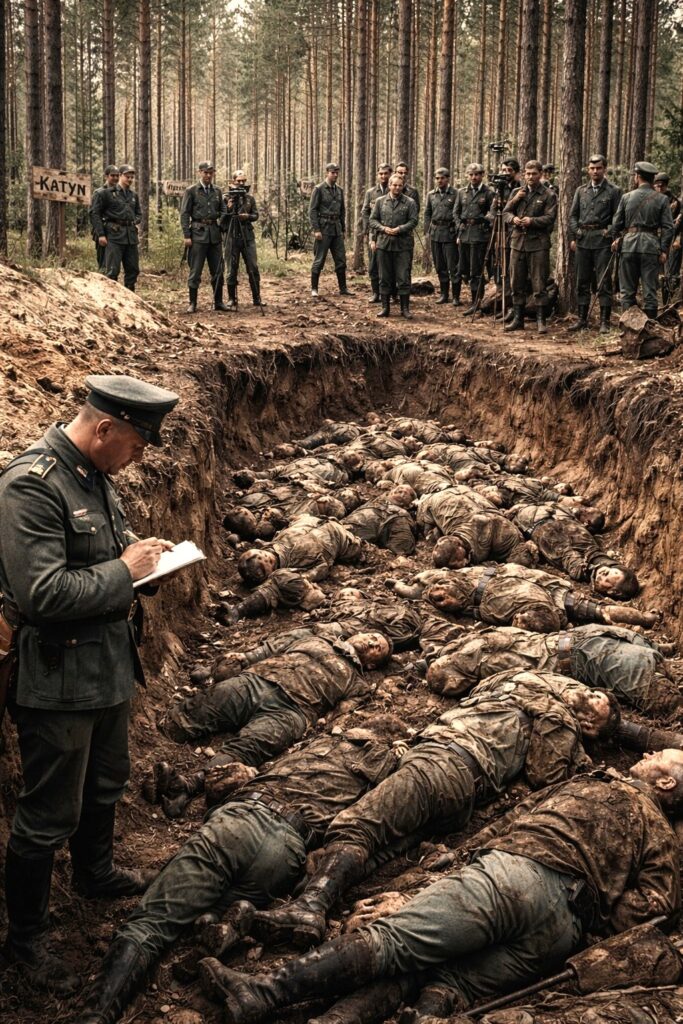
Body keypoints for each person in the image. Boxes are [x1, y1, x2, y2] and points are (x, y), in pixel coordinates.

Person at [195, 754, 681, 1024]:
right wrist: (596, 913)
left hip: (519, 878)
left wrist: (474, 859)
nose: (648, 753)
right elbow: (653, 906)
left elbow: (519, 821)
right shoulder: (660, 837)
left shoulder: (601, 783)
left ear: (663, 782)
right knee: (445, 984)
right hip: (559, 936)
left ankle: (265, 991)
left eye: (660, 757)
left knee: (395, 944)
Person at [0, 374, 179, 993]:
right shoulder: (32, 485)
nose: (137, 458)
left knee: (106, 780)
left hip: (107, 667)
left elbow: (114, 550)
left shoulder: (94, 473)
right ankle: (27, 938)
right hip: (57, 678)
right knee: (48, 812)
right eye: (134, 444)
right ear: (104, 428)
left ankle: (94, 873)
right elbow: (42, 593)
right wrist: (122, 572)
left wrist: (147, 566)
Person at [246, 669, 616, 950]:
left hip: (444, 765)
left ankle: (310, 906)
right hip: (456, 785)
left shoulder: (559, 717)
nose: (590, 697)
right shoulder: (529, 679)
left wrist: (565, 729)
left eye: (597, 714)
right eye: (593, 692)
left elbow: (544, 773)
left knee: (356, 827)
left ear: (591, 730)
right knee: (383, 849)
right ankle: (277, 910)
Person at [72, 724, 406, 1024]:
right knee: (209, 904)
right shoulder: (381, 777)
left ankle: (96, 1015)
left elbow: (237, 773)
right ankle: (220, 920)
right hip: (285, 851)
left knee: (150, 923)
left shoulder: (319, 741)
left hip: (240, 820)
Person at [154, 627, 393, 806]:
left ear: (372, 665)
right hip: (259, 679)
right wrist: (245, 659)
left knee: (251, 746)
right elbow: (271, 648)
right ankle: (155, 744)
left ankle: (186, 787)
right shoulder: (318, 636)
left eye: (377, 648)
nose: (370, 642)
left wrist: (319, 725)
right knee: (204, 705)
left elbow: (340, 715)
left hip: (292, 711)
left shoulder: (358, 682)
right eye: (371, 636)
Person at [426, 623, 681, 715]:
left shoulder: (486, 672)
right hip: (580, 641)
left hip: (585, 652)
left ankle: (662, 656)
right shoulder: (480, 641)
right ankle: (662, 653)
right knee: (656, 669)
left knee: (664, 700)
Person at [386, 563, 656, 633]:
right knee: (597, 614)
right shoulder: (463, 579)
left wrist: (405, 585)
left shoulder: (458, 583)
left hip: (529, 594)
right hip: (540, 590)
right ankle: (644, 622)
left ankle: (643, 622)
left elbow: (422, 586)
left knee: (597, 614)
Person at [510, 501, 639, 599]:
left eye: (607, 577)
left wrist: (589, 570)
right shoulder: (592, 551)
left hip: (529, 520)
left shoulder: (577, 567)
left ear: (613, 591)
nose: (604, 572)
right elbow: (597, 557)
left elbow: (574, 563)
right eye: (610, 570)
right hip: (554, 512)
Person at [610, 161, 674, 321]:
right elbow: (669, 227)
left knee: (627, 291)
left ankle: (628, 327)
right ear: (652, 180)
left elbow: (616, 225)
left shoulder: (626, 197)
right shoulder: (662, 199)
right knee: (650, 291)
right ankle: (650, 328)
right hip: (651, 248)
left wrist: (617, 239)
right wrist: (664, 250)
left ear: (637, 177)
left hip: (628, 247)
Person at [568, 154, 622, 333]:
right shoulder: (581, 191)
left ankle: (605, 321)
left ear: (604, 169)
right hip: (584, 240)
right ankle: (582, 319)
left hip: (602, 242)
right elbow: (573, 216)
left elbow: (618, 216)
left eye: (598, 168)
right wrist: (576, 233)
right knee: (582, 281)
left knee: (604, 282)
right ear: (588, 169)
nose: (595, 171)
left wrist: (611, 233)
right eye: (592, 168)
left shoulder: (613, 191)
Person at [503, 159, 558, 335]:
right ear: (523, 174)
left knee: (539, 282)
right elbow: (505, 213)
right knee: (516, 281)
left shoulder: (548, 195)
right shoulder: (517, 192)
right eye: (527, 173)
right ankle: (518, 319)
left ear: (540, 174)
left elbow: (550, 218)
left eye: (534, 173)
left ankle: (541, 320)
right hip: (518, 242)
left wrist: (532, 221)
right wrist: (514, 219)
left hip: (538, 244)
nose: (530, 177)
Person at [236, 514, 366, 585]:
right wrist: (307, 577)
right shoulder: (292, 570)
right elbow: (322, 568)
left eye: (261, 555)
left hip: (319, 519)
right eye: (266, 564)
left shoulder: (276, 541)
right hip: (342, 538)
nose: (265, 559)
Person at [180, 160, 228, 314]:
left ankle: (218, 302)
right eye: (205, 172)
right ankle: (192, 303)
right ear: (199, 172)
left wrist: (222, 227)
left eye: (211, 172)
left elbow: (224, 211)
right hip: (197, 235)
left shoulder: (218, 191)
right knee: (195, 271)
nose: (208, 175)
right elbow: (184, 214)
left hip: (214, 236)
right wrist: (187, 235)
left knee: (218, 270)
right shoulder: (191, 191)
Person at [369, 173, 419, 320]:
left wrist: (400, 229)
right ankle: (385, 308)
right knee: (384, 276)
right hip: (384, 244)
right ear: (389, 185)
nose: (397, 188)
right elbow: (372, 220)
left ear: (403, 186)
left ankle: (405, 309)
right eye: (394, 185)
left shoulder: (410, 202)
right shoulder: (380, 201)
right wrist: (383, 228)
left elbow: (414, 221)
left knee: (403, 276)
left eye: (400, 185)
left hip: (403, 245)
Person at [90, 164, 142, 291]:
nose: (130, 179)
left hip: (130, 237)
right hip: (114, 236)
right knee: (112, 270)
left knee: (133, 269)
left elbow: (138, 213)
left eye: (132, 177)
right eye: (127, 177)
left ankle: (131, 298)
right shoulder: (106, 193)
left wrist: (133, 221)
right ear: (121, 176)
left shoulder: (133, 195)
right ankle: (111, 297)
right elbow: (94, 213)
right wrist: (101, 234)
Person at [454, 163, 494, 315]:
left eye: (476, 174)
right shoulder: (462, 192)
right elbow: (456, 212)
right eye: (471, 174)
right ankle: (476, 298)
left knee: (476, 270)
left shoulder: (488, 192)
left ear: (482, 175)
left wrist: (484, 222)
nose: (473, 177)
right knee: (463, 269)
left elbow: (493, 212)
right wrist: (459, 226)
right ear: (467, 175)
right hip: (465, 235)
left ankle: (476, 302)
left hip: (479, 235)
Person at [309, 163, 351, 298]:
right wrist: (316, 229)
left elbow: (342, 210)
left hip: (336, 229)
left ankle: (343, 289)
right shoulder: (319, 189)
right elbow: (313, 210)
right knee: (319, 259)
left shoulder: (339, 190)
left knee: (341, 260)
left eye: (337, 172)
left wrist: (343, 229)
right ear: (327, 172)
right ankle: (314, 288)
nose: (335, 175)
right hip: (324, 228)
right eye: (333, 172)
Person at [223, 169, 263, 309]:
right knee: (231, 268)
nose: (241, 183)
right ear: (233, 181)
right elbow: (221, 221)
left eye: (243, 181)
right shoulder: (226, 197)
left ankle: (257, 298)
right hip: (231, 236)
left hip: (247, 236)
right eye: (238, 181)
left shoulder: (249, 198)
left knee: (253, 266)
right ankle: (231, 299)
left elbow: (256, 215)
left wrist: (248, 217)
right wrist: (228, 209)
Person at [424, 168, 460, 305]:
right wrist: (427, 231)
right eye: (437, 178)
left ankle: (456, 296)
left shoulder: (456, 193)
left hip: (450, 233)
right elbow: (427, 213)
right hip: (435, 234)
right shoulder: (431, 195)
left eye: (442, 178)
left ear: (448, 178)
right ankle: (444, 294)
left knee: (453, 266)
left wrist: (458, 233)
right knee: (440, 266)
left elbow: (458, 213)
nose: (440, 180)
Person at [361, 164, 392, 303]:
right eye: (381, 174)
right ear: (377, 175)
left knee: (389, 265)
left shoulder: (394, 190)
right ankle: (375, 293)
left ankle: (390, 293)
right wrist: (368, 231)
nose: (383, 176)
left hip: (390, 233)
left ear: (390, 174)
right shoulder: (371, 192)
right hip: (375, 233)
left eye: (386, 173)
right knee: (373, 264)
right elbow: (365, 212)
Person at [654, 173, 683, 305]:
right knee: (654, 274)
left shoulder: (675, 202)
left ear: (666, 185)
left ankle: (667, 304)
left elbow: (678, 224)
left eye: (662, 185)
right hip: (653, 240)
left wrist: (676, 238)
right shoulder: (651, 199)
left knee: (670, 274)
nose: (660, 188)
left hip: (670, 240)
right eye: (657, 185)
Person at [89, 165, 120, 270]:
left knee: (113, 264)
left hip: (116, 233)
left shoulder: (119, 192)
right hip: (104, 231)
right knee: (103, 263)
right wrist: (101, 234)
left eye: (117, 175)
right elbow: (94, 214)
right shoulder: (99, 193)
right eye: (112, 175)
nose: (115, 178)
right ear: (106, 176)